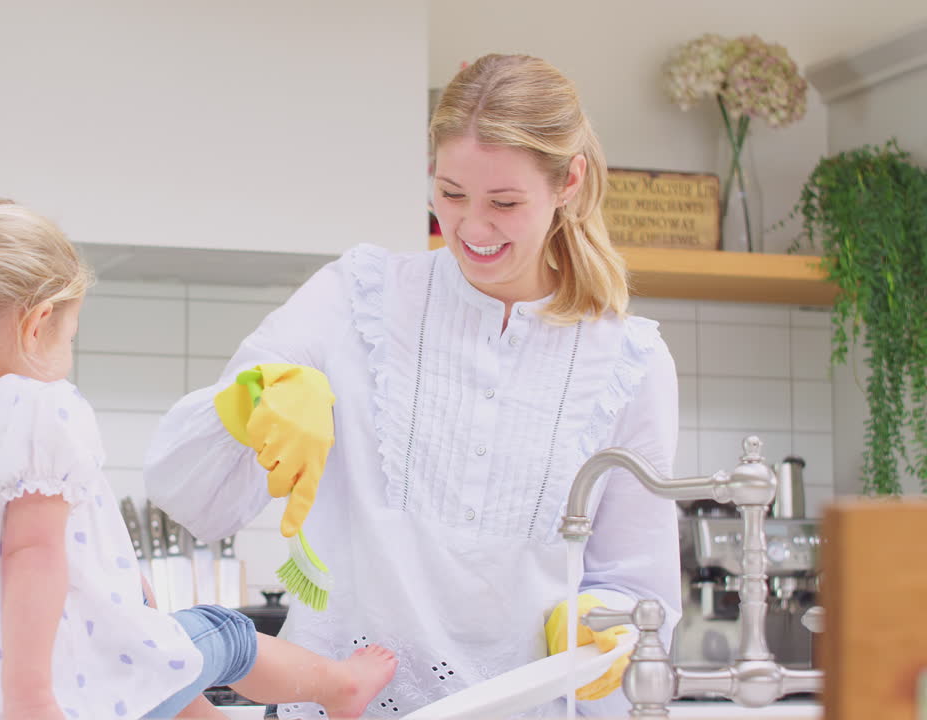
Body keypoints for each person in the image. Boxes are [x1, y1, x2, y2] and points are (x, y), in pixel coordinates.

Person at [144, 54, 681, 718]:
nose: (472, 228)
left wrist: (604, 618)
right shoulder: (358, 298)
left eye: (505, 203)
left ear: (568, 181)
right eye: (450, 193)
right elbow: (188, 496)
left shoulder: (631, 361)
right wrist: (251, 399)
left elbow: (638, 582)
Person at [0, 198, 398, 720]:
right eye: (71, 336)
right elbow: (33, 556)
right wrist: (32, 700)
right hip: (67, 694)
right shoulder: (32, 411)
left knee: (165, 676)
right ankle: (339, 685)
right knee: (221, 634)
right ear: (38, 322)